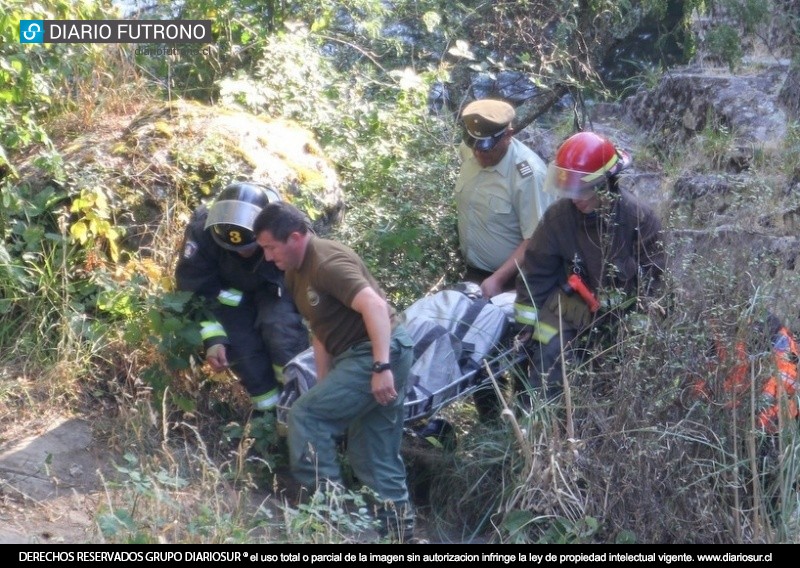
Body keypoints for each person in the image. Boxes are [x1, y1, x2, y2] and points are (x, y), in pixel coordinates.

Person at [252, 201, 416, 542]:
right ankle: (402, 535)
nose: (267, 257)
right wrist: (325, 386)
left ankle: (329, 524)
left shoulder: (326, 262)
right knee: (372, 453)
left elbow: (375, 306)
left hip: (377, 353)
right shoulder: (295, 270)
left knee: (306, 417)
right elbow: (322, 332)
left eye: (270, 247)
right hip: (361, 356)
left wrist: (381, 366)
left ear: (295, 238)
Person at [514, 131, 665, 402]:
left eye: (582, 190)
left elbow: (655, 283)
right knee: (549, 351)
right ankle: (537, 424)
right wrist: (526, 326)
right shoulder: (557, 219)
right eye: (570, 190)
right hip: (574, 302)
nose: (575, 199)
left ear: (605, 183)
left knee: (623, 372)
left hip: (625, 312)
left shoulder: (638, 219)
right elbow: (536, 273)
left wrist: (639, 333)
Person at [174, 182, 309, 413]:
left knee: (281, 333)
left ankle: (301, 404)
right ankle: (269, 417)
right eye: (234, 249)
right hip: (227, 298)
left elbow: (305, 274)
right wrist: (214, 340)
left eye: (250, 247)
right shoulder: (202, 232)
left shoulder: (284, 225)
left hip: (274, 289)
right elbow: (196, 293)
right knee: (243, 351)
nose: (242, 253)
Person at [455, 98, 554, 299]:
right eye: (473, 143)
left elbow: (537, 239)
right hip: (474, 273)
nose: (477, 152)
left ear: (508, 135)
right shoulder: (470, 150)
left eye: (486, 147)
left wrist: (498, 279)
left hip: (512, 281)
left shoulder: (529, 176)